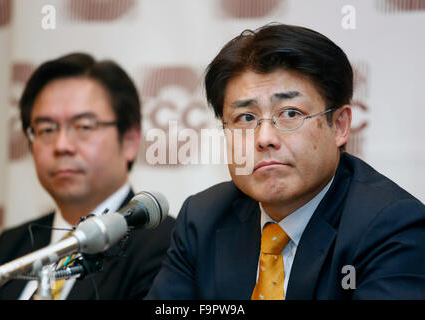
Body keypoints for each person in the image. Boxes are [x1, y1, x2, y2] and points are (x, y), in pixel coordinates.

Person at [146, 23, 425, 300]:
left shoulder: (391, 226)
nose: (264, 138)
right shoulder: (202, 218)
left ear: (339, 126)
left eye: (290, 113)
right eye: (245, 118)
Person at [0, 53, 175, 300]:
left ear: (130, 140)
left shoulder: (166, 244)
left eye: (84, 126)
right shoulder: (11, 246)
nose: (62, 145)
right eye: (47, 129)